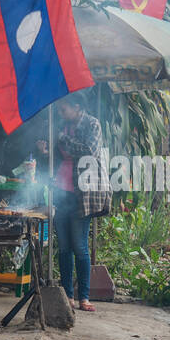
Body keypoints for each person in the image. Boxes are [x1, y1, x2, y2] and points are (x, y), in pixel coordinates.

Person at [53, 94, 111, 312]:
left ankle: (84, 296)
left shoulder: (92, 124)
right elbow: (61, 155)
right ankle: (67, 295)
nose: (61, 113)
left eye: (64, 109)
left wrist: (63, 140)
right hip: (61, 189)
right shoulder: (62, 127)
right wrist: (47, 149)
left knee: (79, 246)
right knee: (64, 247)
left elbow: (89, 151)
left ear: (77, 108)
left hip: (83, 192)